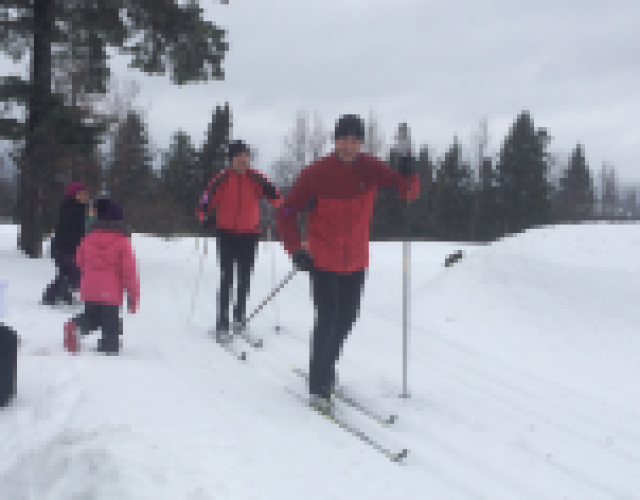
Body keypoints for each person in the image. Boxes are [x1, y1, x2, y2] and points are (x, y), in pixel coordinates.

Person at [276, 114, 419, 410]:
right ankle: (319, 385)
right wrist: (295, 248)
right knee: (328, 318)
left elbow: (407, 193)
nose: (349, 146)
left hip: (356, 260)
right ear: (335, 140)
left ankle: (328, 367)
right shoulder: (316, 173)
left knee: (348, 318)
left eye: (355, 140)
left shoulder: (370, 168)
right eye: (343, 140)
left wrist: (409, 174)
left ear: (361, 143)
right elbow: (287, 213)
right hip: (323, 259)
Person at [196, 140, 282, 341]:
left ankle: (239, 318)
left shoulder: (256, 178)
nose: (243, 160)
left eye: (246, 156)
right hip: (225, 234)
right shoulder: (221, 179)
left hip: (250, 235)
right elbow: (205, 202)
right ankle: (222, 321)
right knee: (226, 277)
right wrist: (204, 217)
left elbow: (277, 198)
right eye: (238, 156)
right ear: (231, 160)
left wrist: (275, 199)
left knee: (244, 278)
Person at [63, 198, 140, 355]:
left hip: (90, 287)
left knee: (92, 317)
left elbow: (79, 261)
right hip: (110, 292)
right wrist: (133, 294)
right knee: (110, 323)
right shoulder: (122, 241)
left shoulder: (88, 237)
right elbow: (129, 271)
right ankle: (108, 346)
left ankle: (76, 326)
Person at [42, 182, 90, 306]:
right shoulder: (70, 209)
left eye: (85, 193)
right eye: (81, 194)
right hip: (64, 249)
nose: (85, 196)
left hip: (70, 248)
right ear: (74, 195)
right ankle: (56, 294)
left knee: (66, 274)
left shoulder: (81, 209)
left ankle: (55, 295)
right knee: (75, 273)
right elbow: (71, 231)